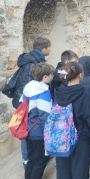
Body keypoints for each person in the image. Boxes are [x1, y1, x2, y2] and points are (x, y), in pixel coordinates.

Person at [54, 62, 90, 179]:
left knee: (63, 173)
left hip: (61, 137)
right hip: (81, 138)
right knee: (80, 174)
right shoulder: (85, 94)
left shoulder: (58, 93)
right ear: (80, 75)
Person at [15, 37, 51, 168]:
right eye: (49, 48)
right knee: (26, 130)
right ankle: (28, 160)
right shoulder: (32, 64)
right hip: (28, 103)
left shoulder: (33, 60)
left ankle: (31, 158)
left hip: (27, 102)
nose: (50, 50)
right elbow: (29, 86)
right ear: (44, 48)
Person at [19, 63, 54, 179]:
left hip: (27, 129)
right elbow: (46, 116)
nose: (52, 77)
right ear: (45, 77)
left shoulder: (28, 89)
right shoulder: (44, 92)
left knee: (31, 158)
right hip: (38, 132)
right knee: (41, 160)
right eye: (51, 75)